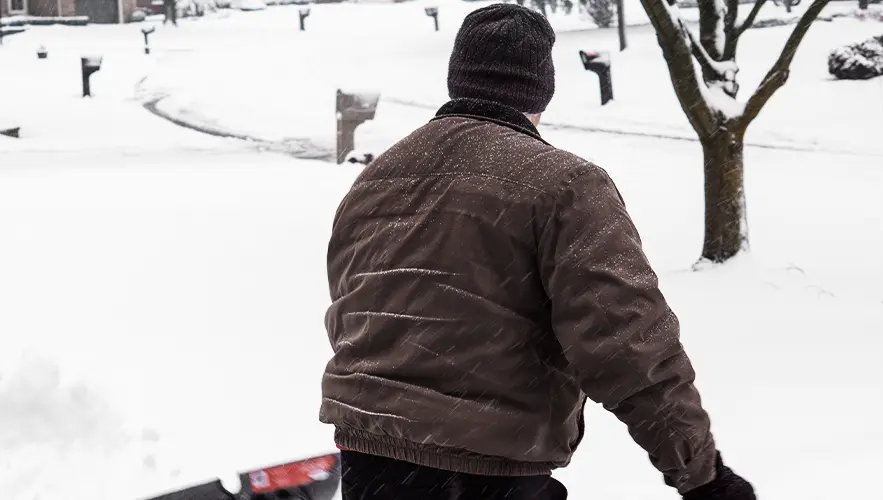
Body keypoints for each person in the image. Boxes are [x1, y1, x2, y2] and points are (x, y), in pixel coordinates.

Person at [318, 4, 756, 500]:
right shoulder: (563, 185)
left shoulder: (377, 180)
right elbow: (627, 341)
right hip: (484, 474)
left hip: (368, 463)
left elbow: (352, 313)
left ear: (458, 77)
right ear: (542, 88)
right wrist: (702, 475)